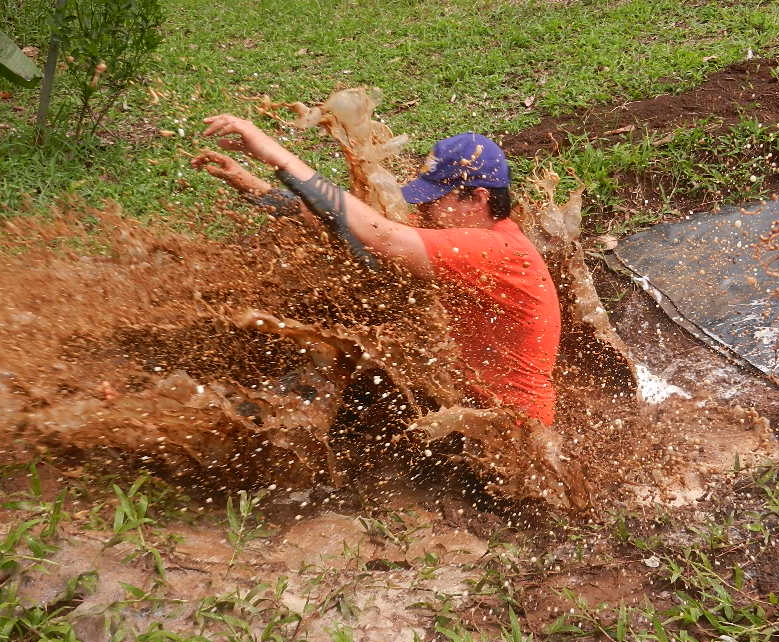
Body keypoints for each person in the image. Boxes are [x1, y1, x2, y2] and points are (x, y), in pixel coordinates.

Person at [192, 116, 561, 426]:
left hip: (510, 431)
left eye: (433, 200)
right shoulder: (460, 233)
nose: (426, 211)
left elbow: (385, 238)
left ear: (477, 197)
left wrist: (278, 156)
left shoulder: (497, 250)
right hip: (463, 409)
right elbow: (346, 226)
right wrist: (249, 183)